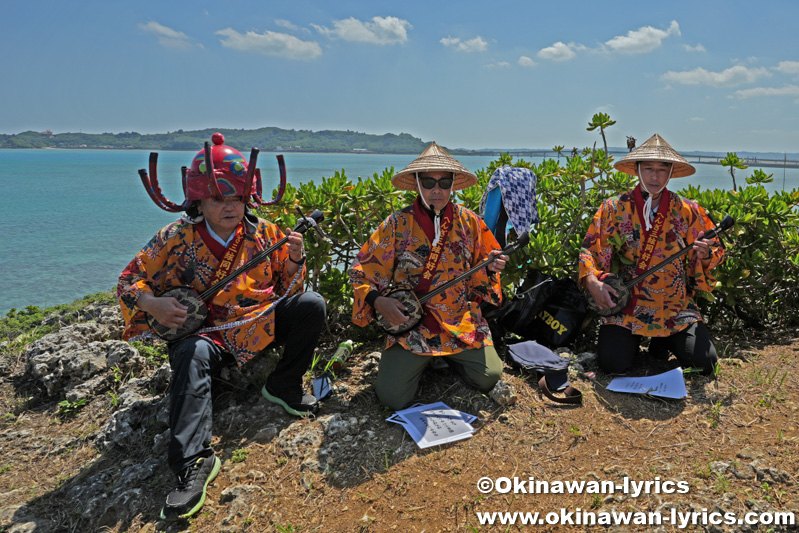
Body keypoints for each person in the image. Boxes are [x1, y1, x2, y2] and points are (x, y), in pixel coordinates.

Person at [117, 133, 326, 521]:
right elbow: (130, 280)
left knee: (312, 305)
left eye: (237, 197)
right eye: (217, 198)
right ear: (198, 201)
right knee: (190, 351)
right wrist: (152, 304)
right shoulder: (173, 238)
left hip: (258, 326)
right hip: (206, 337)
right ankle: (193, 464)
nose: (230, 206)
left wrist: (295, 261)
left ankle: (284, 385)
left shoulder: (266, 232)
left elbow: (288, 288)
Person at [349, 142, 508, 410]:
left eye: (444, 182)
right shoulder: (397, 224)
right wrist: (378, 301)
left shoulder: (470, 222)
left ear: (453, 184)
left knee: (489, 377)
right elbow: (361, 270)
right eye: (429, 182)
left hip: (458, 319)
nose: (437, 189)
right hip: (412, 323)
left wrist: (492, 267)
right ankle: (427, 361)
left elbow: (484, 269)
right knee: (392, 398)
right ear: (417, 184)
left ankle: (444, 360)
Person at [579, 133, 724, 376]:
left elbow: (716, 249)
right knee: (612, 364)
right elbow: (591, 250)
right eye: (648, 169)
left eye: (661, 169)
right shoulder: (613, 208)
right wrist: (592, 281)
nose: (655, 176)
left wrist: (706, 254)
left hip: (676, 306)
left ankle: (663, 341)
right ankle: (642, 343)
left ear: (670, 172)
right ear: (637, 170)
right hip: (627, 303)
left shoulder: (689, 211)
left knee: (705, 363)